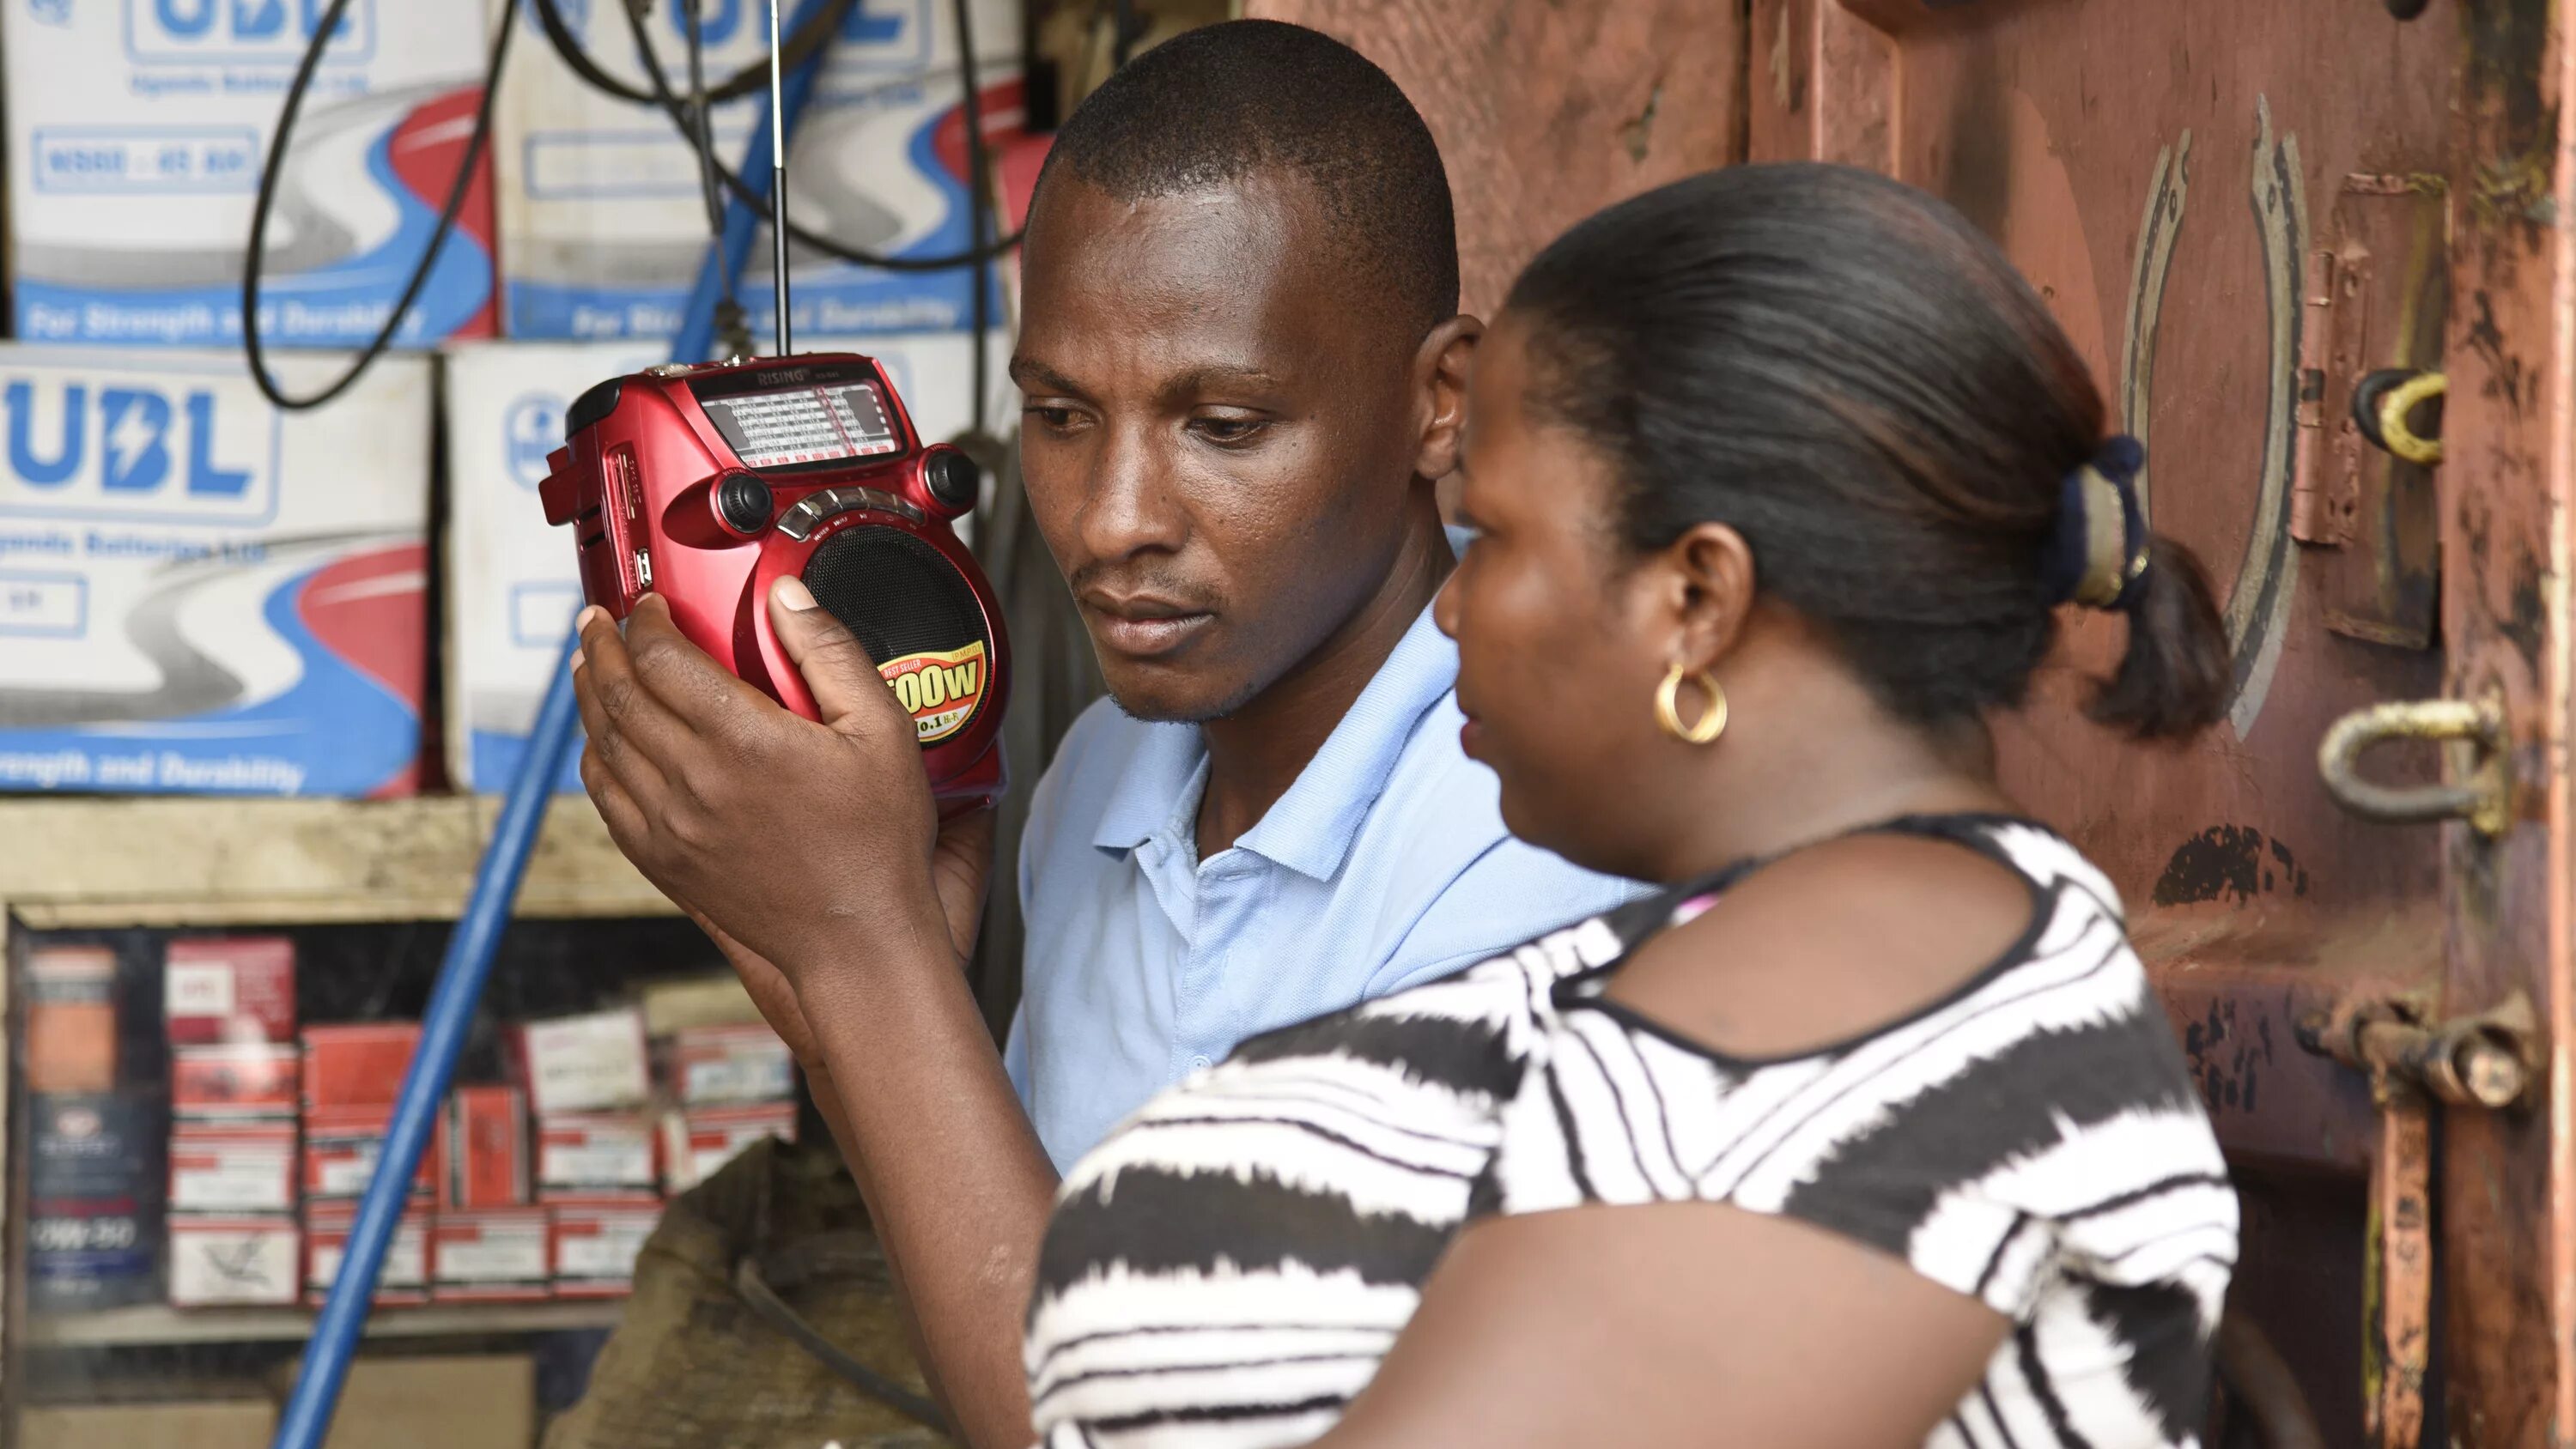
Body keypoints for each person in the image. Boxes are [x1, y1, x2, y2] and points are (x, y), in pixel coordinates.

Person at [1021, 164, 2241, 1447]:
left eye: (1492, 542)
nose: (1449, 606)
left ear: (1695, 602)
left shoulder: (1873, 1008)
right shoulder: (1868, 939)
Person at [567, 21, 1639, 1448]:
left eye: (1227, 424)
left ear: (1438, 402)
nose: (1113, 516)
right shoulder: (1102, 782)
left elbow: (1101, 1420)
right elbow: (1001, 1290)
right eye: (1062, 414)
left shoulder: (1538, 846)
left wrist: (863, 956)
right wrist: (834, 987)